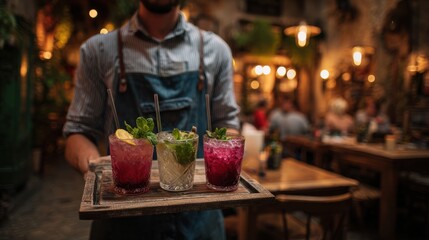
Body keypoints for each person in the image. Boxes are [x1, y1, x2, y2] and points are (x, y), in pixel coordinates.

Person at [63, 1, 240, 239]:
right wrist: (95, 169)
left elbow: (228, 125)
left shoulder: (216, 50)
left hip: (200, 219)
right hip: (122, 222)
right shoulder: (99, 50)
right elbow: (78, 131)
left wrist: (225, 161)